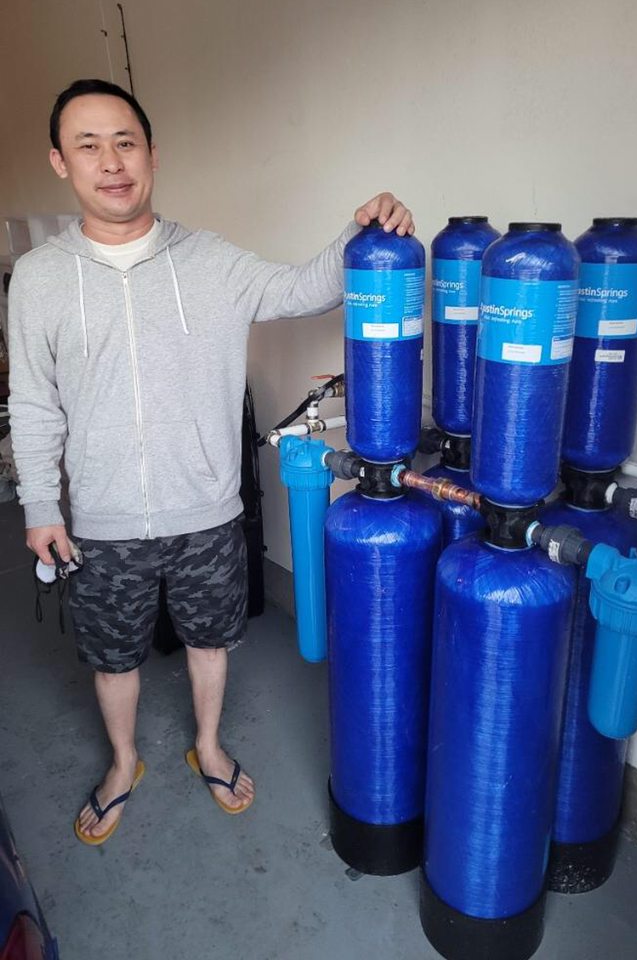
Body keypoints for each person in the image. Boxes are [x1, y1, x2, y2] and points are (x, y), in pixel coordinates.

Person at [8, 78, 414, 845]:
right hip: (101, 521)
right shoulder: (39, 279)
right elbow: (33, 403)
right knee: (112, 657)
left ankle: (209, 747)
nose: (111, 162)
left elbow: (302, 288)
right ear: (61, 161)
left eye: (125, 142)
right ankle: (123, 763)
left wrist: (362, 230)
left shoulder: (209, 260)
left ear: (152, 154)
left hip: (209, 514)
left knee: (210, 641)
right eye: (88, 145)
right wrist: (39, 508)